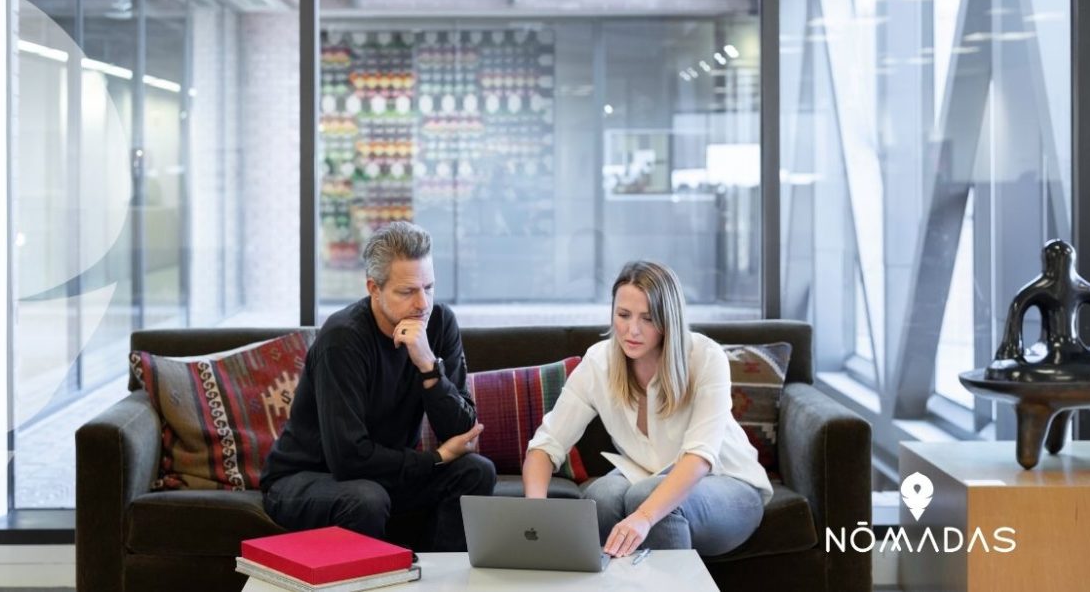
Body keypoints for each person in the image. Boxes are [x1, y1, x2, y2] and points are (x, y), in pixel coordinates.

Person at [261, 221, 495, 550]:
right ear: (374, 288)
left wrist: (428, 366)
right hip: (306, 478)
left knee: (476, 472)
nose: (423, 303)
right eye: (407, 291)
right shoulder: (343, 339)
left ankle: (437, 581)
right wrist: (434, 460)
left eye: (429, 287)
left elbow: (461, 430)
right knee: (366, 498)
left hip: (383, 476)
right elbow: (347, 458)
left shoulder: (439, 323)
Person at [522, 260, 771, 558]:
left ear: (668, 321)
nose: (632, 331)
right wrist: (534, 514)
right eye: (623, 315)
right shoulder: (598, 362)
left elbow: (700, 457)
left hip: (729, 483)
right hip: (646, 475)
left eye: (648, 319)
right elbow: (545, 446)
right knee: (600, 496)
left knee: (648, 495)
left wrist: (644, 517)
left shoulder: (705, 357)